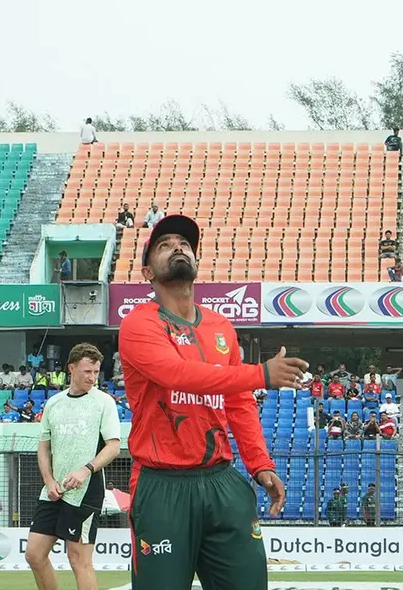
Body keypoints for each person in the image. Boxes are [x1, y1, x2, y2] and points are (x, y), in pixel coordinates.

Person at [117, 214, 308, 589]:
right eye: (164, 245)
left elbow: (238, 403)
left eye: (184, 244)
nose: (177, 247)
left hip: (221, 480)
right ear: (146, 272)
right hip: (162, 484)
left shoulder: (221, 327)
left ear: (196, 260)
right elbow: (177, 374)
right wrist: (261, 374)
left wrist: (259, 464)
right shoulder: (138, 323)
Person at [26, 343, 122, 590]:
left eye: (96, 372)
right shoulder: (54, 403)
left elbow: (113, 446)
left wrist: (85, 470)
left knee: (79, 560)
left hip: (86, 491)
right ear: (71, 368)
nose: (92, 377)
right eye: (87, 371)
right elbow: (44, 447)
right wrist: (48, 480)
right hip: (53, 490)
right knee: (34, 555)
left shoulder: (104, 402)